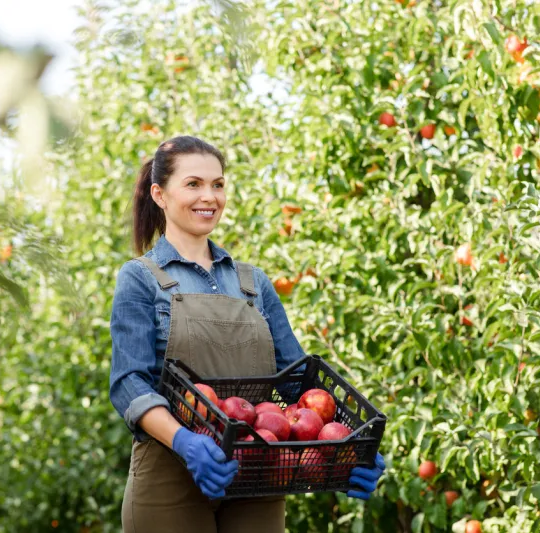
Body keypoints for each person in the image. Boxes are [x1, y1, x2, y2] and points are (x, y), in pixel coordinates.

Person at [109, 135, 385, 533]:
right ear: (160, 194)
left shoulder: (253, 284)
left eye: (217, 184)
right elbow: (128, 382)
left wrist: (346, 447)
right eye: (193, 184)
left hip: (258, 468)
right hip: (171, 473)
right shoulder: (141, 279)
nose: (210, 196)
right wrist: (186, 442)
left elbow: (297, 381)